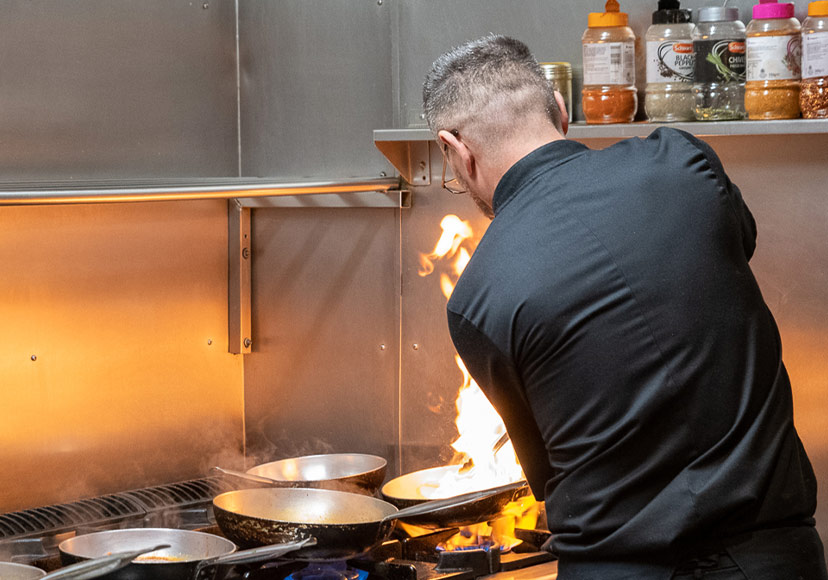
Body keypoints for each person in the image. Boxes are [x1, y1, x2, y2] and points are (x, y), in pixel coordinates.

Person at [423, 34, 827, 579]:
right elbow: (732, 254)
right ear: (561, 110)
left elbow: (546, 470)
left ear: (456, 149)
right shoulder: (683, 161)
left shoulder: (474, 299)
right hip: (773, 560)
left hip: (616, 568)